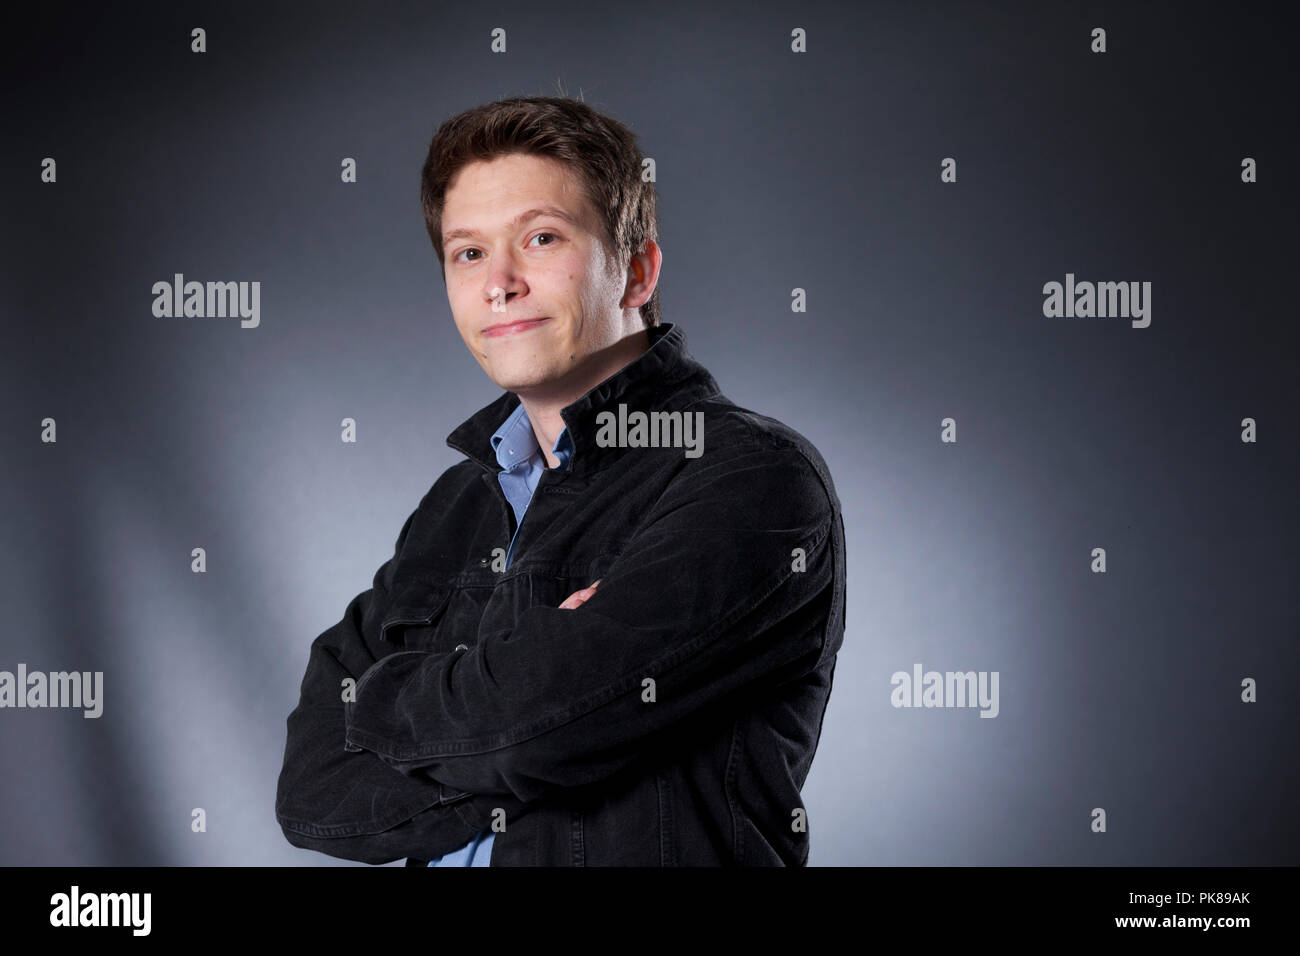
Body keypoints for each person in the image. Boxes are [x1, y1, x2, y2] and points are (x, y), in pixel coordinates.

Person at [274, 95, 846, 866]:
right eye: (468, 252)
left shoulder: (755, 482)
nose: (498, 283)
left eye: (541, 238)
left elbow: (538, 724)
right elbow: (311, 797)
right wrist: (520, 710)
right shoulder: (457, 505)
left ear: (637, 270)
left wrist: (391, 701)